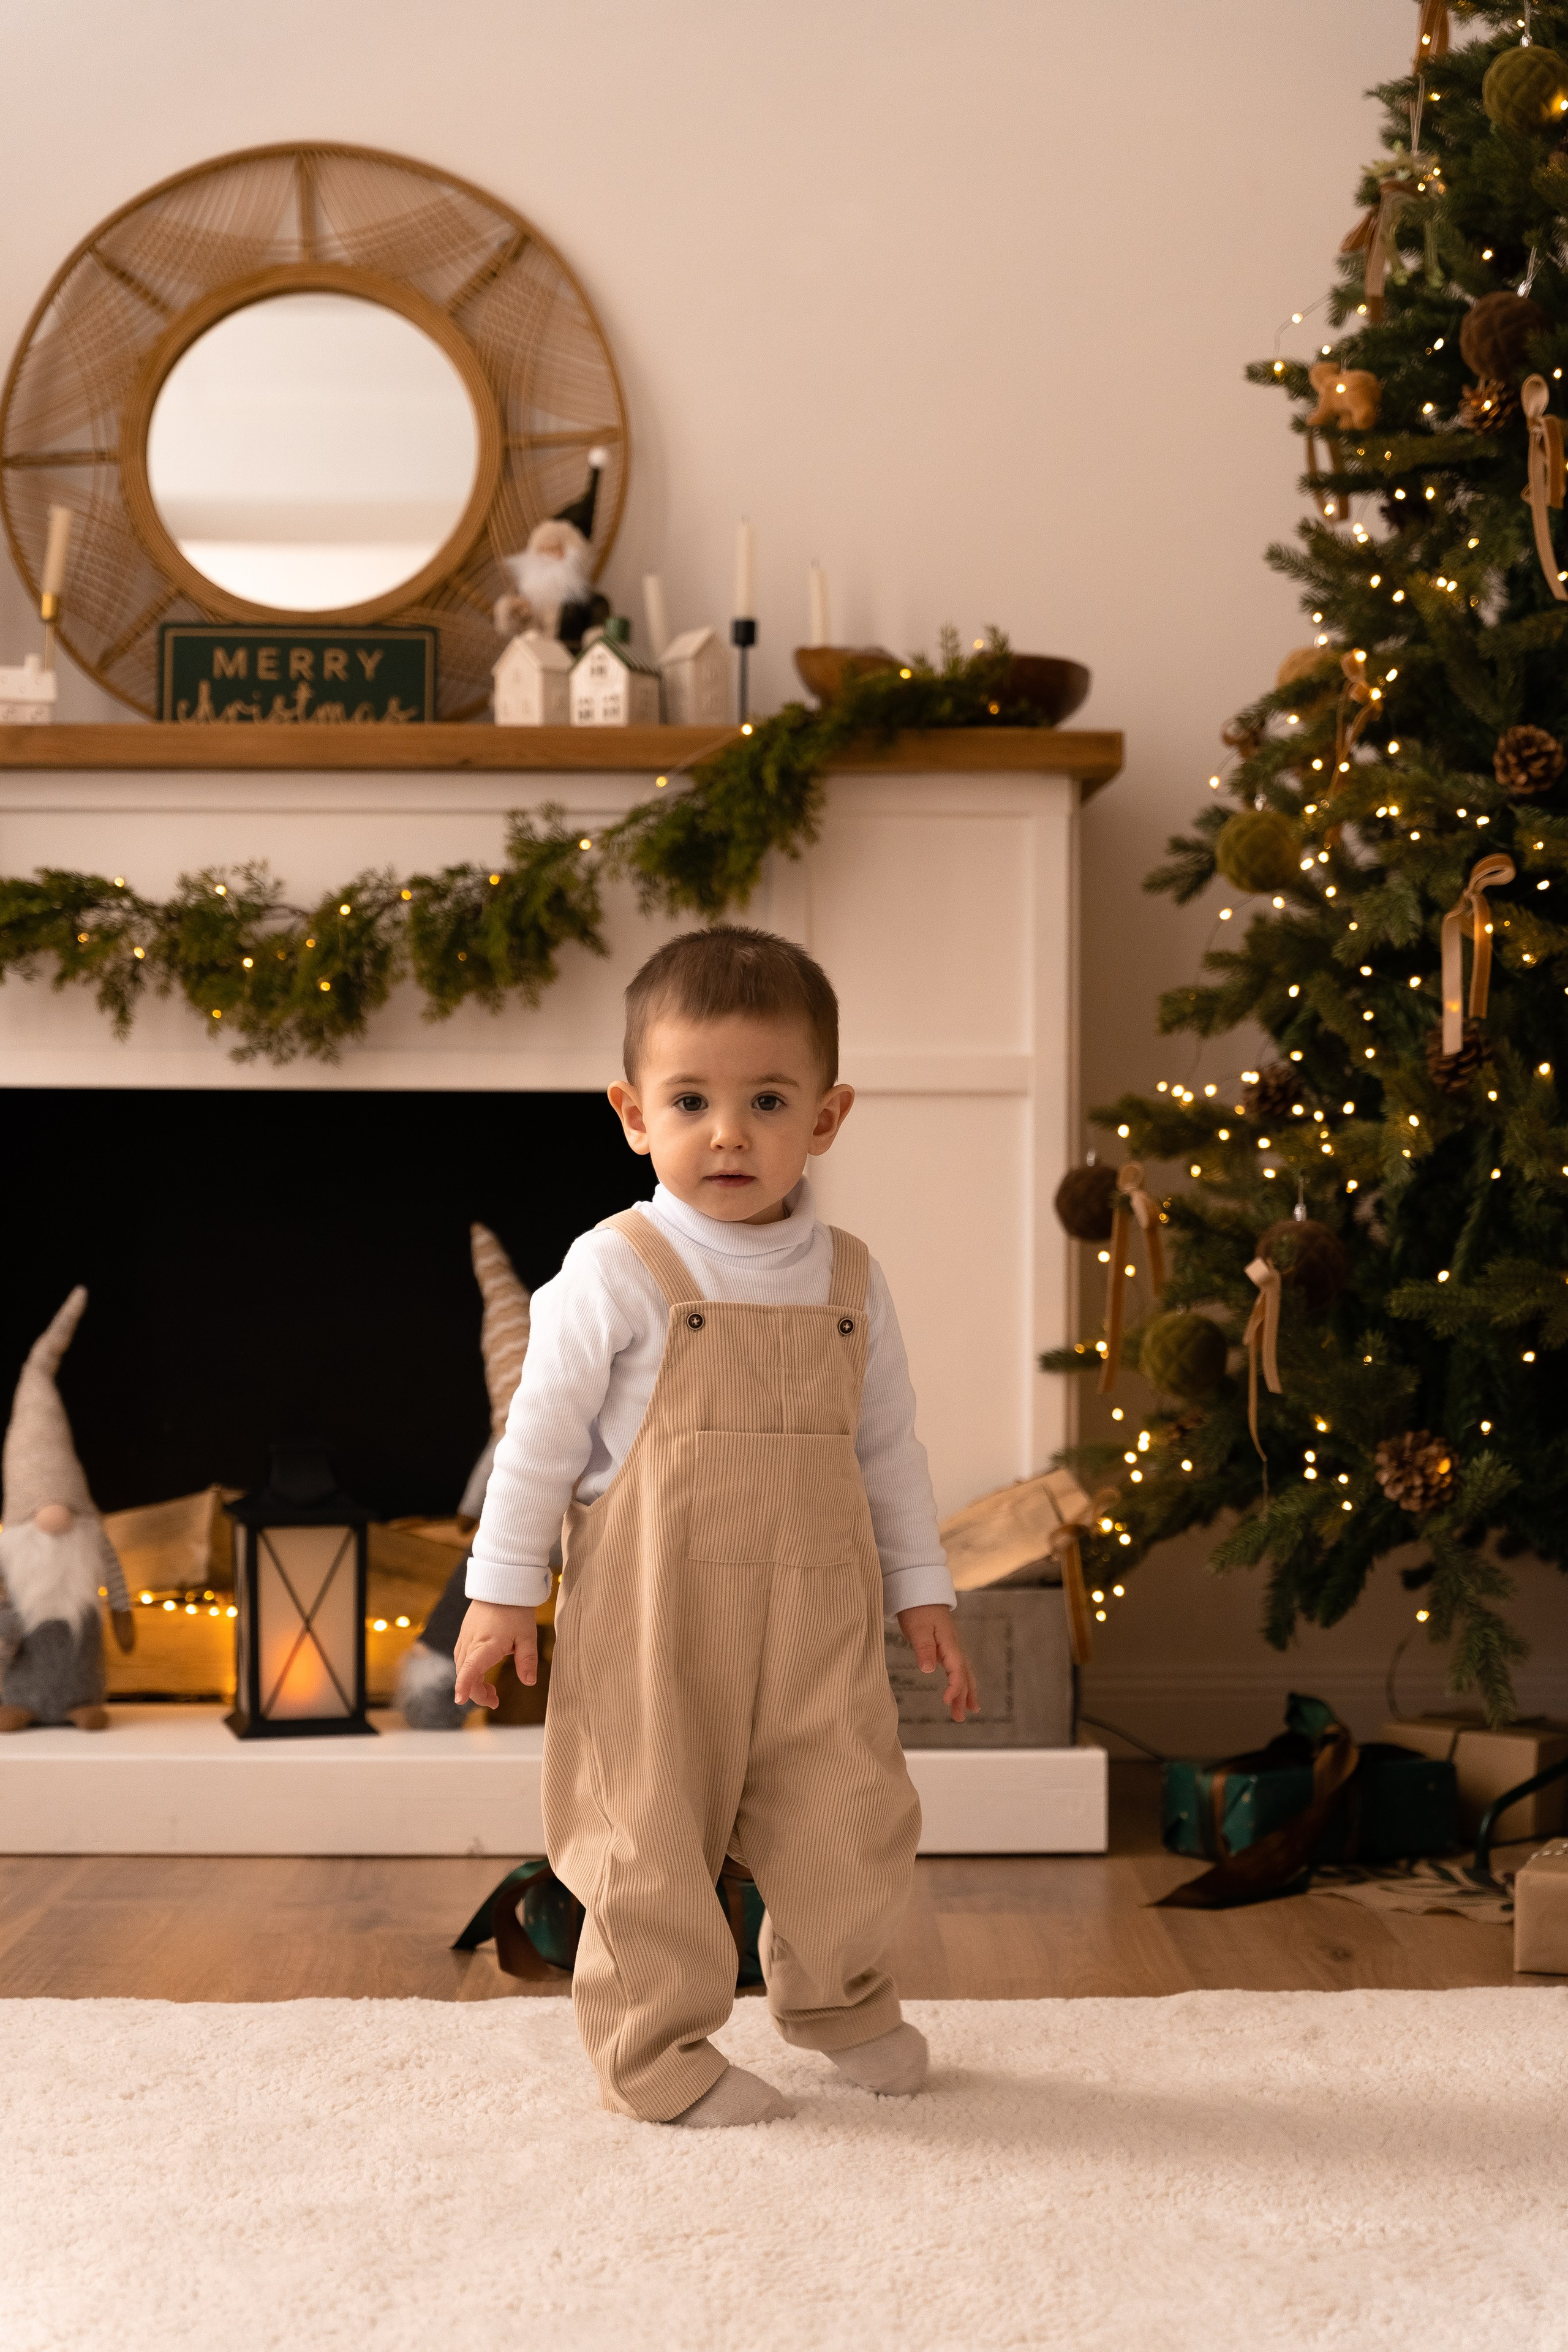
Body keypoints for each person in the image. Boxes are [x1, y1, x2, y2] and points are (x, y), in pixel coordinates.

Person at [454, 925, 977, 2126]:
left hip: (817, 1616)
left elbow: (887, 1448)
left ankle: (839, 1998)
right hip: (652, 1619)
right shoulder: (616, 1268)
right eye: (691, 1100)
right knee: (646, 1834)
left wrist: (922, 1587)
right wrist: (501, 1590)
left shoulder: (848, 1277)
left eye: (766, 1099)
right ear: (634, 1114)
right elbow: (535, 1441)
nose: (728, 1132)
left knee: (852, 1813)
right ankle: (658, 2056)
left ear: (827, 1117)